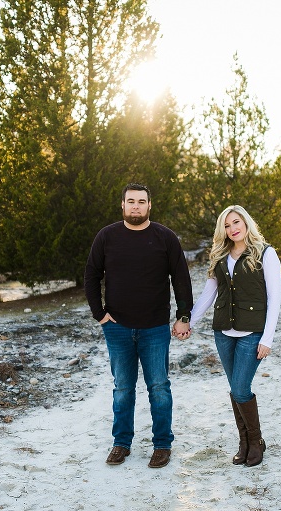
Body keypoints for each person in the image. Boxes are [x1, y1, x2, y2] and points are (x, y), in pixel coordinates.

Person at [84, 183, 193, 469]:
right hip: (117, 328)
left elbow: (181, 277)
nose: (136, 206)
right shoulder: (107, 237)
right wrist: (100, 314)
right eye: (130, 201)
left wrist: (184, 315)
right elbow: (91, 275)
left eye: (141, 201)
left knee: (159, 386)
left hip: (155, 328)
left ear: (149, 206)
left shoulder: (165, 238)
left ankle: (162, 445)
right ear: (122, 205)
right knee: (122, 388)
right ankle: (121, 443)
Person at [182, 205, 281, 467]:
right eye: (226, 225)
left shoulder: (266, 254)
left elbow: (275, 299)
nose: (232, 228)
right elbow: (207, 295)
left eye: (236, 222)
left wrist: (267, 339)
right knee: (236, 389)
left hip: (252, 333)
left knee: (240, 388)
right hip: (224, 332)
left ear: (246, 222)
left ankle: (256, 441)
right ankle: (244, 442)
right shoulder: (220, 255)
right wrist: (188, 321)